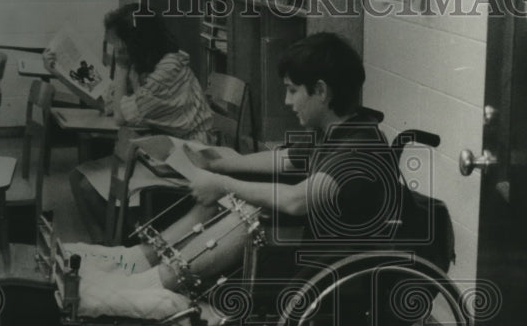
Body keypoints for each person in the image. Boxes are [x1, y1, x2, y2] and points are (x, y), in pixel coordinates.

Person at [66, 31, 406, 307]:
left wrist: (225, 182)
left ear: (320, 91)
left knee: (251, 211)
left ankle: (156, 281)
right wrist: (221, 163)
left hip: (336, 261)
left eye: (292, 91)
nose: (287, 103)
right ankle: (142, 260)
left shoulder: (359, 147)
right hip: (318, 243)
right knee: (228, 196)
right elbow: (283, 158)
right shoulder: (337, 130)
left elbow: (295, 202)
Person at [45, 4, 214, 243]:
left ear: (135, 41)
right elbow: (107, 101)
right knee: (79, 180)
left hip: (187, 159)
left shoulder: (169, 68)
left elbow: (121, 117)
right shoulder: (143, 63)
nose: (115, 51)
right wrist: (57, 72)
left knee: (88, 188)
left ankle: (119, 247)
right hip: (160, 151)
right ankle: (113, 246)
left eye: (118, 45)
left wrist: (122, 67)